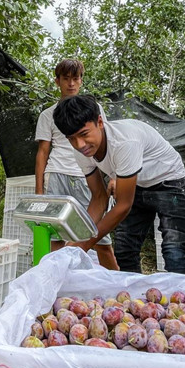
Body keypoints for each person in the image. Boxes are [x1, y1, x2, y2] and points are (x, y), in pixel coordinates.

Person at [53, 94, 185, 274]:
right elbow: (98, 198)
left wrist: (82, 245)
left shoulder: (124, 142)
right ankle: (132, 299)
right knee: (125, 250)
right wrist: (77, 241)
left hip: (169, 183)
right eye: (71, 138)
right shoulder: (81, 151)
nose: (80, 144)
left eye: (84, 134)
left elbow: (124, 206)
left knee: (175, 252)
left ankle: (181, 299)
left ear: (100, 122)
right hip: (137, 184)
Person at [35, 59, 118, 270]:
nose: (71, 84)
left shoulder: (93, 109)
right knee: (55, 238)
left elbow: (108, 139)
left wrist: (115, 175)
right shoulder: (48, 114)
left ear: (81, 81)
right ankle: (57, 285)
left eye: (75, 78)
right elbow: (43, 152)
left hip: (87, 178)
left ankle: (117, 284)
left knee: (101, 240)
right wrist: (39, 192)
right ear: (57, 81)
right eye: (66, 79)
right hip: (57, 176)